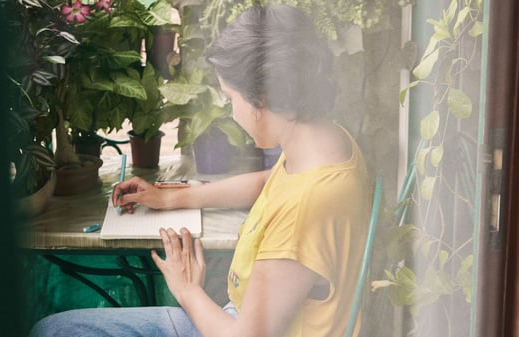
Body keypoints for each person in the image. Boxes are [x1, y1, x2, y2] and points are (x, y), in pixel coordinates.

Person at [29, 3, 371, 337]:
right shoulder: (322, 143)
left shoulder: (306, 210)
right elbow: (273, 181)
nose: (231, 112)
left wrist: (187, 288)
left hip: (235, 326)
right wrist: (174, 198)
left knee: (51, 330)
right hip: (243, 315)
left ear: (263, 98)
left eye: (230, 98)